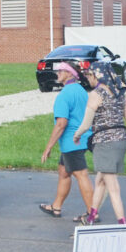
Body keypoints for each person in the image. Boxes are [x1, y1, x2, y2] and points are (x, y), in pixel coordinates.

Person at [72, 61, 126, 225]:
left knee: (113, 186)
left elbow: (86, 124)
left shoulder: (96, 94)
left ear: (98, 75)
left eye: (89, 75)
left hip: (104, 143)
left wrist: (76, 136)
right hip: (121, 141)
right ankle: (90, 218)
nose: (88, 79)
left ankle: (122, 224)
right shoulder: (121, 94)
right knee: (100, 180)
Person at [38, 61, 93, 221]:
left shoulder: (64, 95)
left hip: (72, 142)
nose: (57, 73)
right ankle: (56, 207)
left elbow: (61, 124)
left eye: (61, 70)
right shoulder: (81, 91)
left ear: (70, 73)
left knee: (81, 174)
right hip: (83, 138)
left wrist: (48, 147)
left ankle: (92, 213)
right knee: (63, 172)